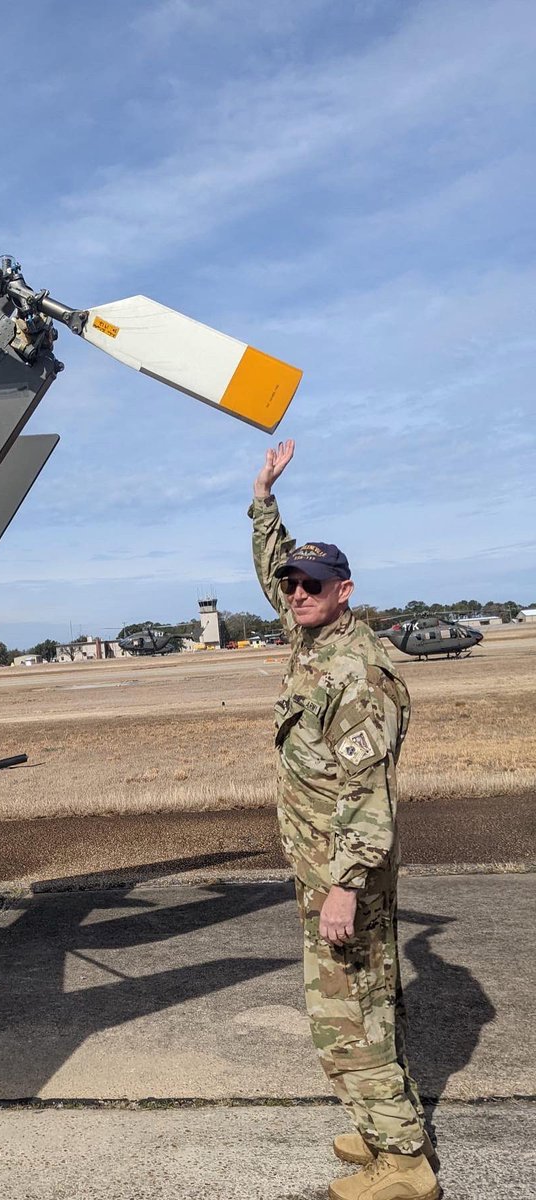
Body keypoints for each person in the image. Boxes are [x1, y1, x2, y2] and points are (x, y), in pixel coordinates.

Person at [250, 439, 438, 1200]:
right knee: (368, 1002)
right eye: (293, 583)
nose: (296, 593)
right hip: (324, 864)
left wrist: (345, 886)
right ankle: (382, 1124)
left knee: (349, 1015)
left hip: (344, 871)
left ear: (345, 590)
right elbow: (272, 570)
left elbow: (369, 792)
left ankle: (404, 1164)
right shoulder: (314, 638)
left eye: (313, 584)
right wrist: (264, 501)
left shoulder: (357, 675)